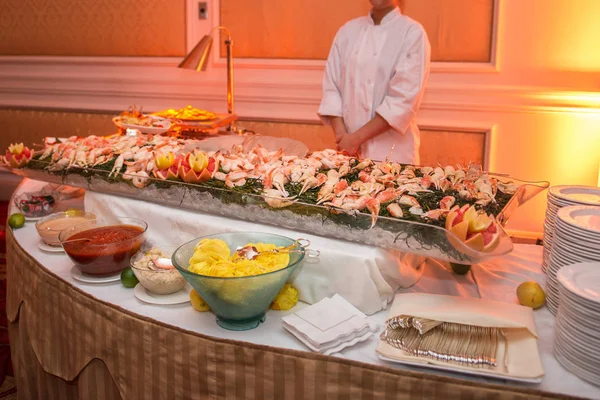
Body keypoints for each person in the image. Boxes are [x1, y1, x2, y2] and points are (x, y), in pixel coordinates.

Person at [318, 0, 431, 164]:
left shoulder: (412, 33)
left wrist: (354, 139)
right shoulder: (348, 31)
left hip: (393, 156)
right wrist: (343, 137)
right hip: (348, 156)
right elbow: (331, 88)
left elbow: (401, 102)